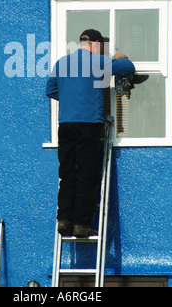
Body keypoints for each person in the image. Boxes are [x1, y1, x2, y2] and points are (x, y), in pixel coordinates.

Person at [46, 29, 135, 238]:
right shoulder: (99, 62)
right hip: (88, 125)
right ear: (96, 43)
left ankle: (64, 220)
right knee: (87, 175)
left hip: (66, 125)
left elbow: (50, 90)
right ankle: (81, 224)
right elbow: (127, 67)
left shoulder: (62, 62)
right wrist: (119, 57)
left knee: (67, 174)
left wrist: (70, 99)